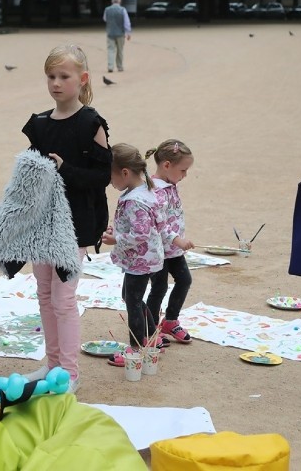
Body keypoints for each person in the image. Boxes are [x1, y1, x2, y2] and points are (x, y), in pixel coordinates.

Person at [21, 44, 112, 394]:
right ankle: (54, 364)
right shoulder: (39, 124)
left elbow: (102, 177)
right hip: (41, 223)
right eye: (51, 76)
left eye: (64, 76)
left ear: (82, 79)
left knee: (63, 299)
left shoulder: (92, 123)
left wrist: (65, 170)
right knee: (44, 295)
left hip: (73, 225)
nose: (56, 83)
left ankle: (70, 374)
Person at [101, 144, 165, 367]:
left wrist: (116, 239)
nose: (110, 182)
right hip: (145, 258)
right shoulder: (143, 191)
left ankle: (137, 349)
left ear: (125, 172)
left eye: (111, 177)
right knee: (131, 297)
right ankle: (152, 338)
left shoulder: (135, 200)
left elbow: (140, 233)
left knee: (133, 302)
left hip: (140, 260)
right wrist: (117, 232)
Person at [145, 139, 196, 344]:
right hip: (159, 250)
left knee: (184, 280)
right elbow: (158, 224)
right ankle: (149, 331)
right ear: (167, 165)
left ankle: (170, 321)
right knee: (159, 288)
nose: (185, 175)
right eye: (183, 170)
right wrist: (178, 240)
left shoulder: (170, 184)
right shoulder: (154, 190)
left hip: (173, 249)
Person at [103, 0, 131, 73]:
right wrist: (128, 33)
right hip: (120, 33)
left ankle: (110, 66)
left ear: (112, 1)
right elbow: (126, 22)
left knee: (111, 50)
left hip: (110, 33)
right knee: (120, 50)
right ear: (119, 1)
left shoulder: (107, 9)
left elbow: (105, 19)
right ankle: (120, 67)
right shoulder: (123, 10)